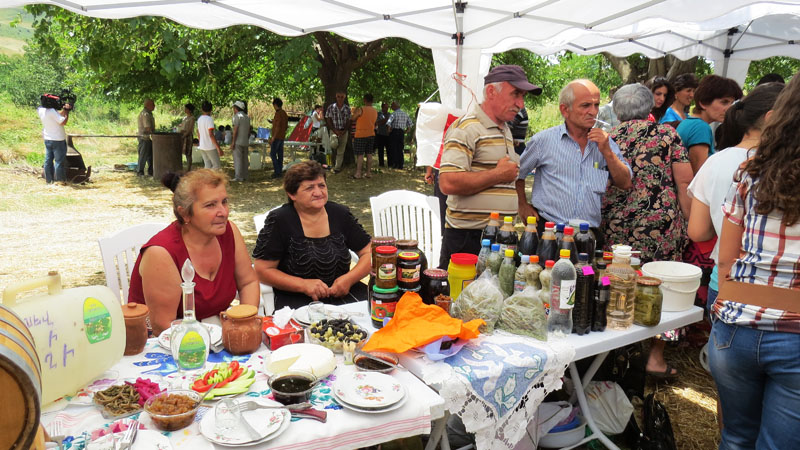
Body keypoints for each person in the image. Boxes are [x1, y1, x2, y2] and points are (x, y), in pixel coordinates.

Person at [709, 72, 800, 449]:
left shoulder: (750, 172)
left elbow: (725, 260)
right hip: (794, 333)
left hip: (736, 327)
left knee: (736, 437)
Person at [601, 83, 693, 379]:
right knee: (663, 285)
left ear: (617, 110)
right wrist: (689, 221)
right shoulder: (667, 134)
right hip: (661, 224)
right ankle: (655, 357)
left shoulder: (608, 138)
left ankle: (619, 350)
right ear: (650, 106)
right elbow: (684, 181)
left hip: (616, 222)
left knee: (620, 281)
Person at [687, 82, 785, 318]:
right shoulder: (785, 165)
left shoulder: (716, 161)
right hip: (780, 291)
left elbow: (698, 231)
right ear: (773, 117)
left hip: (724, 280)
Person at [127, 169, 260, 336]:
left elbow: (248, 282)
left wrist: (244, 324)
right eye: (210, 205)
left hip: (216, 333)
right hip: (168, 341)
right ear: (185, 213)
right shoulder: (161, 253)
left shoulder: (229, 231)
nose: (223, 212)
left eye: (224, 202)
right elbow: (163, 326)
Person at [437, 65, 542, 267]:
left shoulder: (505, 129)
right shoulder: (466, 128)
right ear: (492, 92)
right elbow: (448, 183)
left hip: (500, 238)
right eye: (515, 94)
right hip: (468, 239)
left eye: (523, 97)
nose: (520, 104)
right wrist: (497, 174)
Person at [516, 79, 632, 242]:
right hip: (549, 231)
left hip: (587, 235)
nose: (593, 112)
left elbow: (625, 183)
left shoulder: (605, 143)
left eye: (596, 105)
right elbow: (517, 174)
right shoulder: (543, 141)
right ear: (565, 109)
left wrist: (607, 152)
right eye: (585, 105)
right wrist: (522, 205)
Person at [252, 161, 372, 309]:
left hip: (344, 293)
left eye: (321, 185)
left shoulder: (340, 214)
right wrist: (303, 285)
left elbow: (369, 252)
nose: (318, 192)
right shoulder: (280, 220)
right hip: (297, 299)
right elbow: (262, 270)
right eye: (309, 188)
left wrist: (349, 279)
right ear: (292, 194)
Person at [675, 74, 742, 174]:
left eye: (731, 103)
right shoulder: (700, 127)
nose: (729, 109)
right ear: (703, 102)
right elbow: (700, 174)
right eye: (724, 102)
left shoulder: (688, 122)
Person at [37, 94, 71, 184]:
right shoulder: (52, 111)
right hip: (58, 139)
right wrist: (67, 112)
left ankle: (49, 180)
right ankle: (60, 181)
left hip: (48, 138)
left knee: (48, 160)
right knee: (59, 162)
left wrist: (64, 110)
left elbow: (57, 116)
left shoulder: (41, 110)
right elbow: (63, 122)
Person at [351, 93, 377, 179]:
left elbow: (353, 118)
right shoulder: (375, 111)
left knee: (360, 155)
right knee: (369, 154)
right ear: (372, 101)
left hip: (360, 134)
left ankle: (358, 173)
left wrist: (353, 113)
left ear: (364, 100)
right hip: (371, 134)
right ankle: (368, 173)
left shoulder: (361, 109)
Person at [326, 92, 351, 174]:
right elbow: (328, 119)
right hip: (334, 130)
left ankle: (337, 168)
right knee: (333, 145)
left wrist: (344, 131)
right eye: (338, 97)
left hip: (344, 131)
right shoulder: (331, 107)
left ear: (344, 98)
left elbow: (348, 120)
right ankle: (331, 162)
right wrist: (334, 130)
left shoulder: (347, 108)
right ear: (336, 97)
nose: (340, 98)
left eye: (342, 97)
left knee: (341, 151)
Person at [196, 101, 223, 170]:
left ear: (201, 109)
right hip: (210, 146)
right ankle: (210, 176)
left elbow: (198, 132)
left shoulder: (199, 119)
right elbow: (211, 134)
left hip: (202, 146)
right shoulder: (209, 119)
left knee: (207, 165)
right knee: (216, 166)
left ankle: (205, 176)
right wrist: (218, 148)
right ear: (211, 110)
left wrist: (201, 142)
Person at [386, 101, 412, 169]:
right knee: (400, 149)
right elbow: (410, 125)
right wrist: (405, 131)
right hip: (401, 132)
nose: (391, 107)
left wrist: (388, 131)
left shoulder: (393, 114)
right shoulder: (405, 114)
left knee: (394, 148)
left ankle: (395, 164)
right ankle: (401, 164)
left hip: (394, 132)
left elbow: (388, 123)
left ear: (395, 106)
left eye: (392, 105)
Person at [269, 97, 289, 179]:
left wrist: (273, 137)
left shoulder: (278, 113)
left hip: (277, 137)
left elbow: (277, 126)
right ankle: (279, 171)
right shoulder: (284, 113)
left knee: (273, 154)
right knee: (280, 155)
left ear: (275, 105)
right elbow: (285, 125)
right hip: (282, 137)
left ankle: (277, 172)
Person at [231, 101, 251, 182]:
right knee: (244, 159)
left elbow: (235, 130)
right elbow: (249, 131)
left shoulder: (237, 116)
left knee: (238, 159)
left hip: (238, 141)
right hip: (245, 141)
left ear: (236, 108)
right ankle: (245, 175)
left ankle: (238, 176)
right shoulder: (247, 117)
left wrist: (233, 142)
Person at [137, 98, 155, 176]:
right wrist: (154, 134)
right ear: (148, 105)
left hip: (148, 138)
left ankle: (151, 171)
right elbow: (147, 127)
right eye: (153, 104)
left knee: (150, 155)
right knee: (143, 155)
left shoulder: (149, 113)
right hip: (144, 137)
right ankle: (140, 171)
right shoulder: (145, 114)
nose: (154, 106)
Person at [178, 103, 195, 172]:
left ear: (190, 110)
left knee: (188, 153)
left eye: (186, 109)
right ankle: (181, 167)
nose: (185, 110)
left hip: (188, 136)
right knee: (181, 152)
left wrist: (184, 135)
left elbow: (190, 129)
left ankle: (188, 169)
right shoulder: (184, 118)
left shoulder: (192, 118)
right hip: (182, 135)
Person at [375, 102, 391, 167]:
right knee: (380, 150)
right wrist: (385, 120)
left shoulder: (389, 114)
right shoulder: (379, 114)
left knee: (389, 150)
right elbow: (377, 123)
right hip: (380, 134)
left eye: (387, 107)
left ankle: (390, 163)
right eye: (385, 107)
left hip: (388, 135)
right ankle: (381, 164)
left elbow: (390, 123)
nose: (387, 109)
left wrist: (384, 121)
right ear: (382, 107)